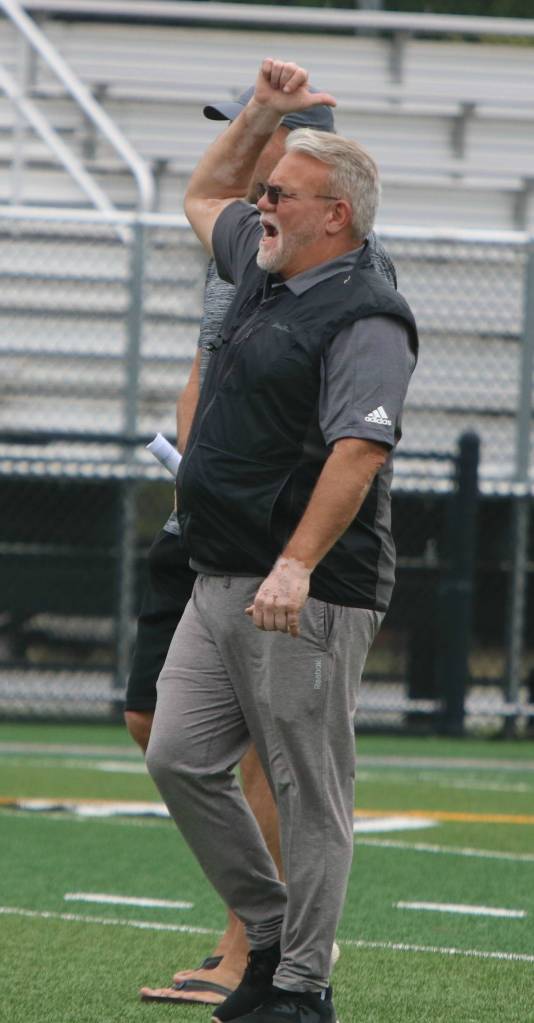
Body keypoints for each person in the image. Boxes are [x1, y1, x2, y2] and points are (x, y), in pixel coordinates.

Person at [145, 58, 418, 1023]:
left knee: (309, 789)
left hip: (306, 588)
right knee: (178, 754)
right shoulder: (266, 270)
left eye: (283, 193)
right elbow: (204, 191)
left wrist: (297, 562)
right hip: (219, 574)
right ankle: (269, 938)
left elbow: (358, 451)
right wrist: (262, 111)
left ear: (334, 214)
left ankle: (303, 986)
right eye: (264, 192)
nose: (259, 203)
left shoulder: (366, 309)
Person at [127, 86, 342, 1010]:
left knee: (265, 747)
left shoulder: (328, 276)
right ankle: (259, 926)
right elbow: (203, 373)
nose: (254, 163)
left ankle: (257, 950)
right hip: (201, 518)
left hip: (272, 538)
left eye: (275, 154)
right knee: (160, 728)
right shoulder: (239, 251)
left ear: (316, 179)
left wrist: (293, 552)